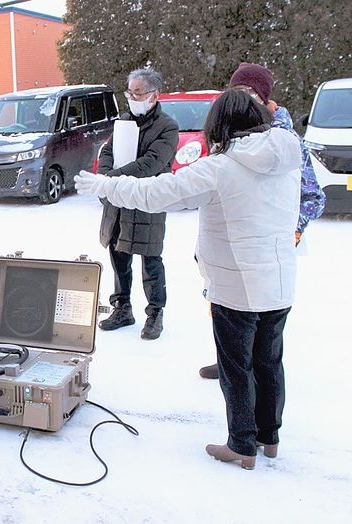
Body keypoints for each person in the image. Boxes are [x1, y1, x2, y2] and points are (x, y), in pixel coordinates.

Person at [75, 89, 301, 469]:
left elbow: (160, 192)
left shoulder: (222, 166)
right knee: (269, 361)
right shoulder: (287, 157)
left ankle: (242, 445)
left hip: (236, 284)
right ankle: (269, 437)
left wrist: (105, 185)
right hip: (279, 281)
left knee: (236, 367)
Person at [198, 62, 326, 380]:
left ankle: (255, 378)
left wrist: (290, 230)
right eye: (235, 91)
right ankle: (232, 360)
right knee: (226, 309)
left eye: (247, 92)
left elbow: (313, 196)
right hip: (228, 244)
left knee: (263, 327)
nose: (240, 99)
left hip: (265, 248)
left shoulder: (284, 139)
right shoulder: (232, 129)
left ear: (263, 96)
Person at [95, 68, 179, 340]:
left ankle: (155, 312)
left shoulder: (167, 127)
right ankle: (122, 307)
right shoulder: (123, 121)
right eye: (129, 92)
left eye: (138, 93)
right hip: (118, 201)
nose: (132, 97)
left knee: (150, 258)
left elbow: (152, 163)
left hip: (147, 200)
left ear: (154, 95)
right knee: (118, 254)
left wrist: (112, 180)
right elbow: (106, 151)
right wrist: (107, 179)